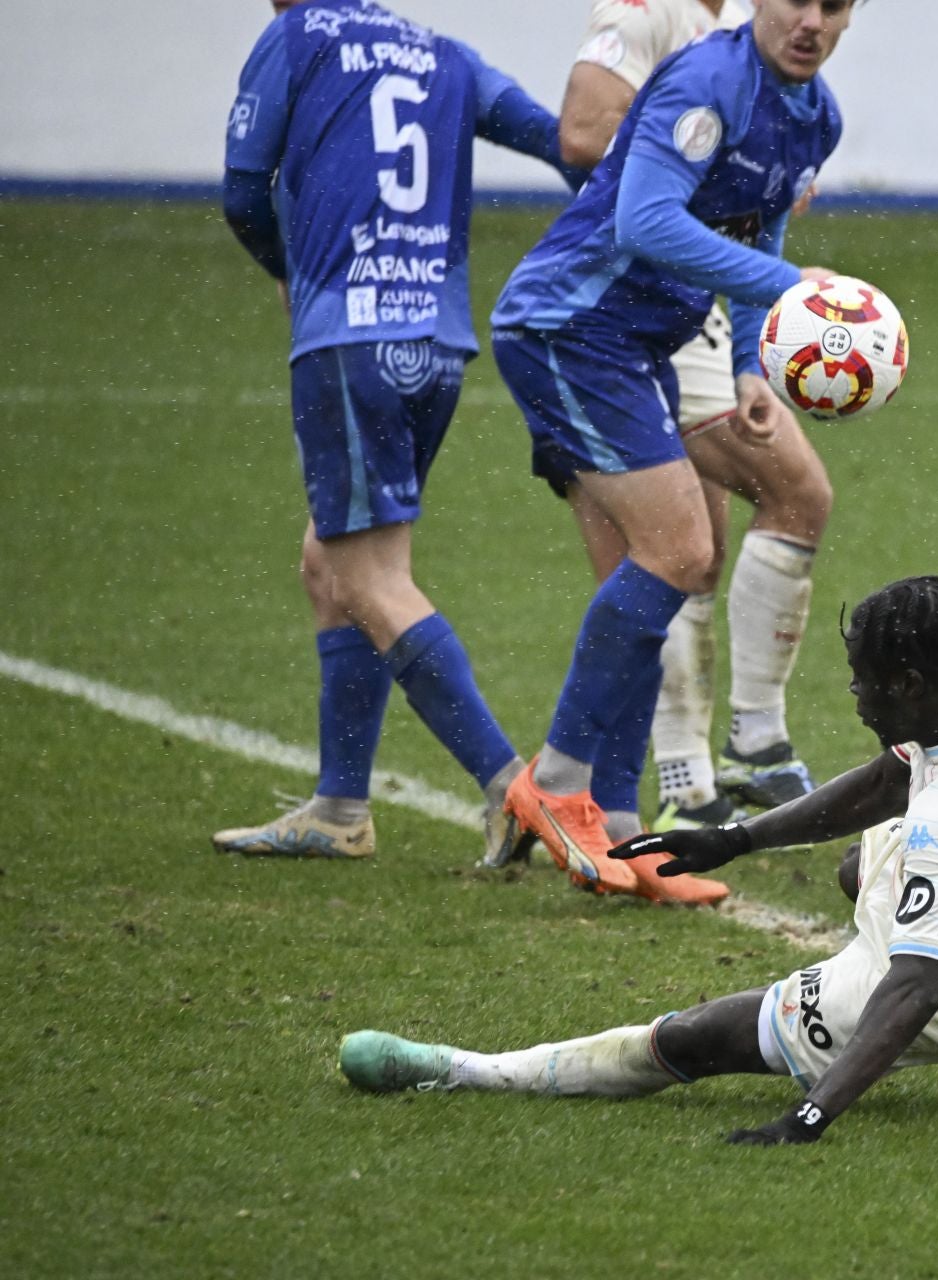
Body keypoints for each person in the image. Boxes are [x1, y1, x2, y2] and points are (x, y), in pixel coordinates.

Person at [336, 577, 938, 1141]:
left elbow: (913, 989)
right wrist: (736, 839)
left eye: (862, 681)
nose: (853, 696)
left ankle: (465, 1072)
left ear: (907, 682)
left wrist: (812, 1113)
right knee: (859, 872)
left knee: (689, 1038)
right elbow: (885, 785)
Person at [487, 0, 856, 905]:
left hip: (638, 344)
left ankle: (618, 827)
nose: (811, 20)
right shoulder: (705, 82)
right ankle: (558, 784)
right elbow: (644, 223)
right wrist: (788, 288)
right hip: (567, 327)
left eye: (835, 4)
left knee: (653, 570)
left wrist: (748, 365)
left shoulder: (817, 114)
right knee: (681, 553)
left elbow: (757, 228)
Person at [213, 0, 582, 861]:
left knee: (369, 578)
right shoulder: (445, 52)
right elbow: (569, 144)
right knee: (329, 562)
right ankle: (341, 809)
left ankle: (511, 792)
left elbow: (241, 192)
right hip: (437, 342)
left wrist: (293, 272)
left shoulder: (297, 36)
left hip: (350, 337)